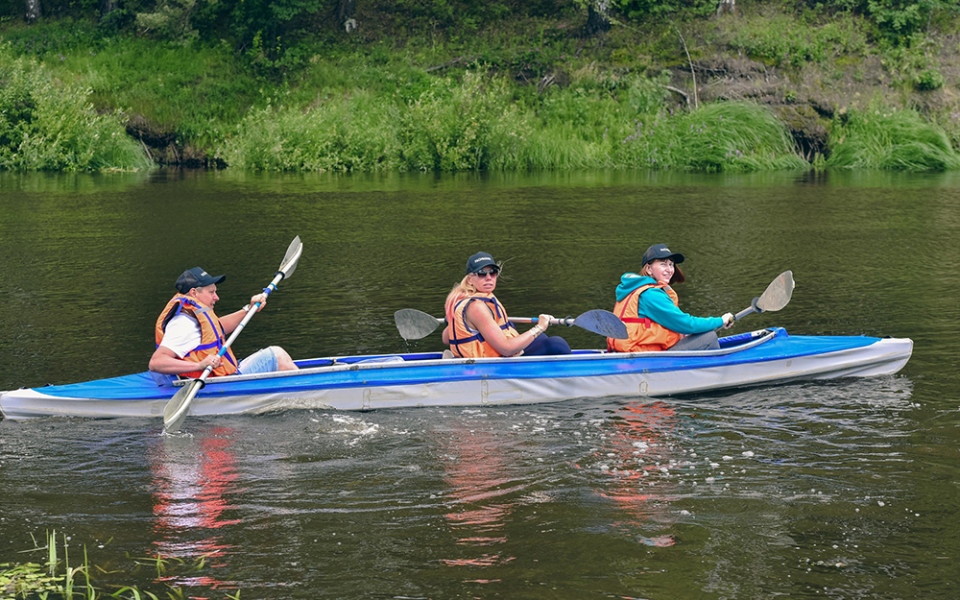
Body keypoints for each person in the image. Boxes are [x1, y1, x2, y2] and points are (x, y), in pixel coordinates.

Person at [149, 266, 298, 378]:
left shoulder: (194, 315)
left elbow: (218, 327)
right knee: (277, 355)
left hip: (223, 375)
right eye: (211, 292)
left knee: (278, 357)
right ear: (194, 292)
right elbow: (156, 362)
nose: (216, 297)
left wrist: (249, 309)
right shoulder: (183, 323)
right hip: (216, 383)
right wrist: (199, 365)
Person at [607, 244, 734, 353]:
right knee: (709, 337)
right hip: (645, 357)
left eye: (671, 264)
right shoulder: (651, 295)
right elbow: (686, 324)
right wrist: (720, 321)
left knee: (696, 334)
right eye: (663, 264)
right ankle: (717, 375)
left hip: (638, 351)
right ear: (649, 269)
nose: (669, 270)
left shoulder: (633, 289)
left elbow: (670, 326)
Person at [441, 252, 571, 358]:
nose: (488, 278)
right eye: (481, 273)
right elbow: (507, 349)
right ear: (470, 279)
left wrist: (454, 323)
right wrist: (540, 327)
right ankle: (577, 384)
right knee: (556, 344)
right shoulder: (476, 306)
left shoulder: (465, 299)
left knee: (542, 339)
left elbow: (446, 338)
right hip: (492, 365)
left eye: (493, 272)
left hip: (501, 356)